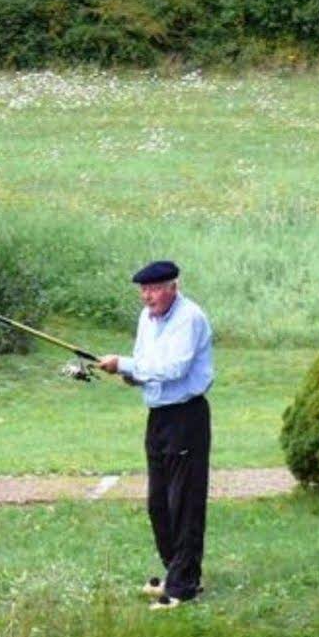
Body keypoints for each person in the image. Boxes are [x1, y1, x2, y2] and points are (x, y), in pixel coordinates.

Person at [97, 260, 213, 609]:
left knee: (185, 503)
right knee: (158, 503)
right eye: (144, 290)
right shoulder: (146, 319)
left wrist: (125, 364)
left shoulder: (189, 318)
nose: (148, 297)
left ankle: (183, 587)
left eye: (155, 289)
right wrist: (128, 374)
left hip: (186, 416)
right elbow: (146, 364)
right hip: (158, 417)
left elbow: (175, 368)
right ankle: (175, 572)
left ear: (173, 287)